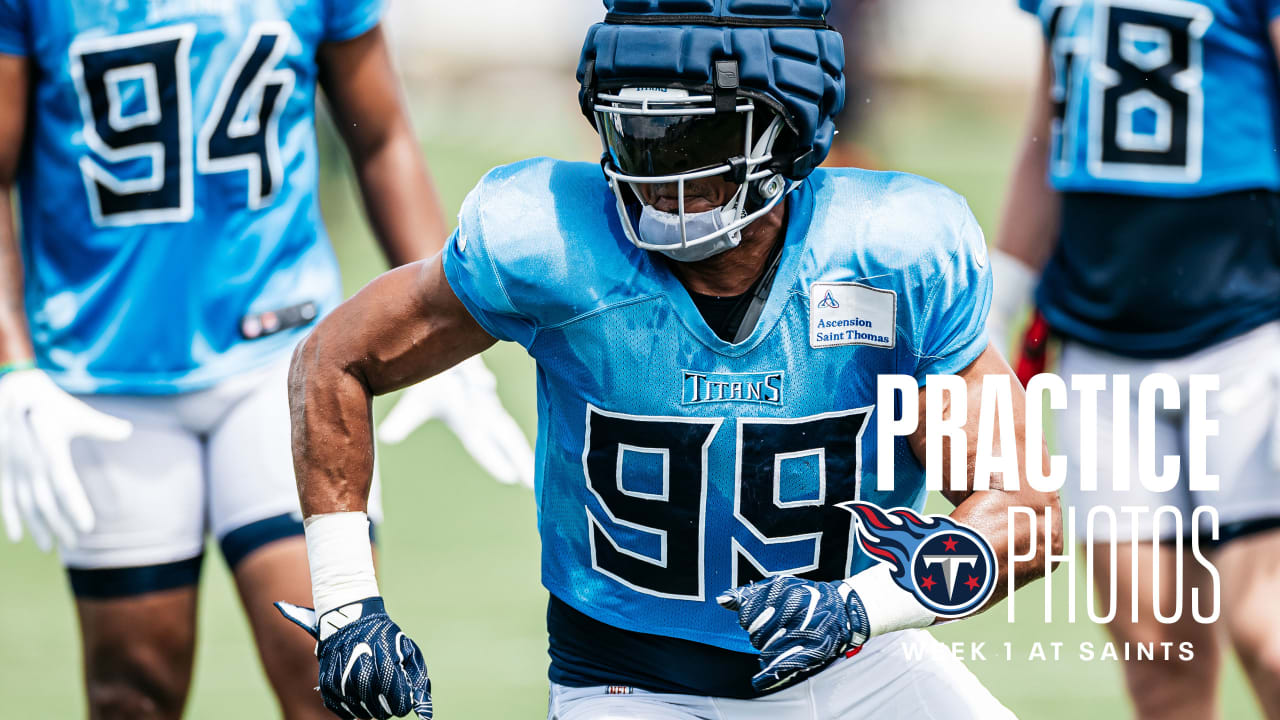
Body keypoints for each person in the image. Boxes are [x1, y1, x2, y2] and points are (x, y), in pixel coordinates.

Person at [276, 2, 1063, 718]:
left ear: (788, 127)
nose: (662, 176)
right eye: (638, 136)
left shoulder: (892, 253)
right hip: (630, 684)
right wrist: (348, 604)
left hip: (859, 658)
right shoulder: (547, 240)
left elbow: (1023, 511)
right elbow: (335, 358)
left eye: (699, 136)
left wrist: (863, 605)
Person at [0, 1, 531, 718]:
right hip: (108, 369)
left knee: (339, 672)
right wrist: (14, 366)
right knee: (133, 690)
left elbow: (378, 134)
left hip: (286, 361)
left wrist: (443, 320)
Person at [992, 1, 1280, 718]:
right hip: (1100, 347)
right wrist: (1000, 296)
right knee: (1159, 657)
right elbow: (1052, 124)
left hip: (1248, 330)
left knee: (1267, 633)